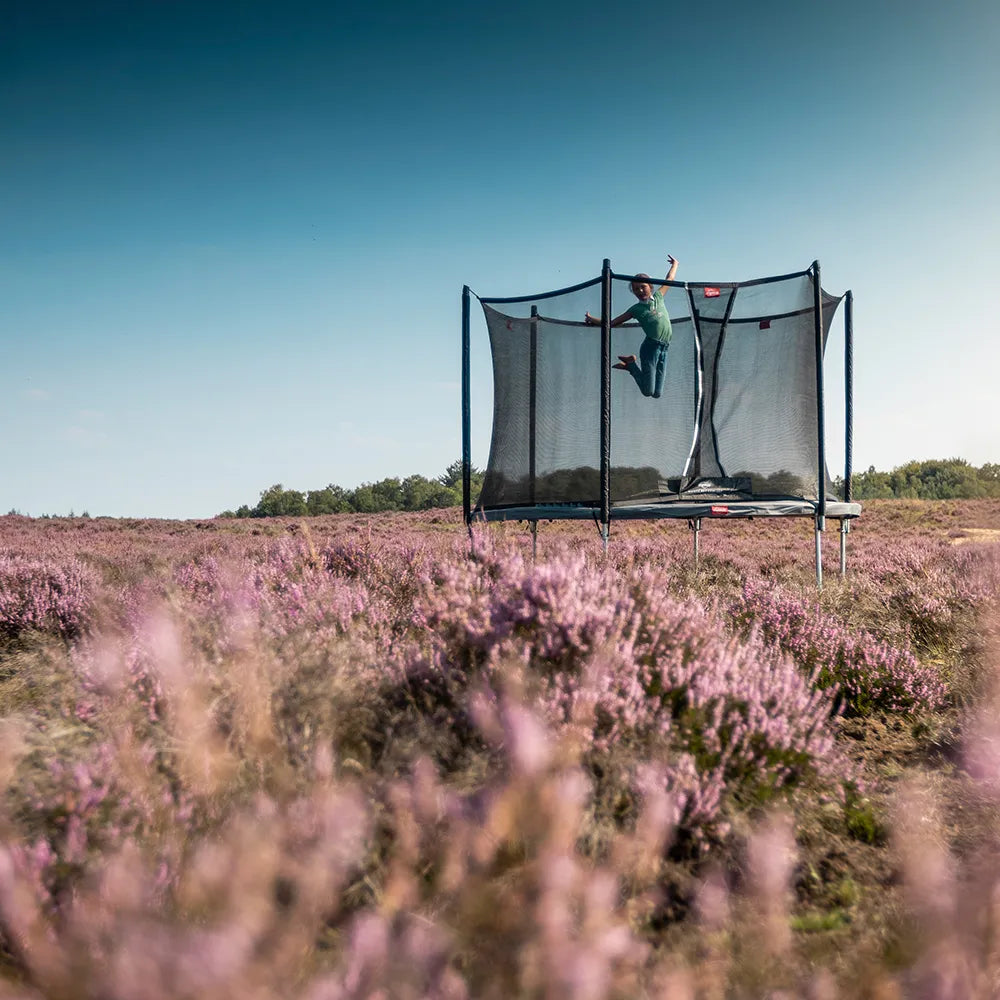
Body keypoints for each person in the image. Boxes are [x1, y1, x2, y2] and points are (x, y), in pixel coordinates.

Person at [584, 255, 678, 398]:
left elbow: (669, 279)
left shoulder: (659, 297)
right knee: (647, 391)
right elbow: (612, 322)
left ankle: (629, 364)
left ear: (650, 287)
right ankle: (631, 365)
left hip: (664, 348)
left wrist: (675, 264)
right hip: (650, 349)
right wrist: (592, 319)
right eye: (635, 289)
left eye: (643, 287)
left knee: (657, 393)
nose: (640, 291)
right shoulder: (636, 309)